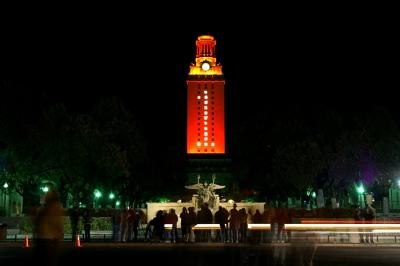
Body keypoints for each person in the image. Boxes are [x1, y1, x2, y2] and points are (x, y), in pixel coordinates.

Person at [34, 190, 64, 266]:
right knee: (50, 260)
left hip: (43, 238)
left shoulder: (43, 209)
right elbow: (58, 223)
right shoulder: (56, 207)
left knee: (43, 260)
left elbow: (37, 223)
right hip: (50, 238)